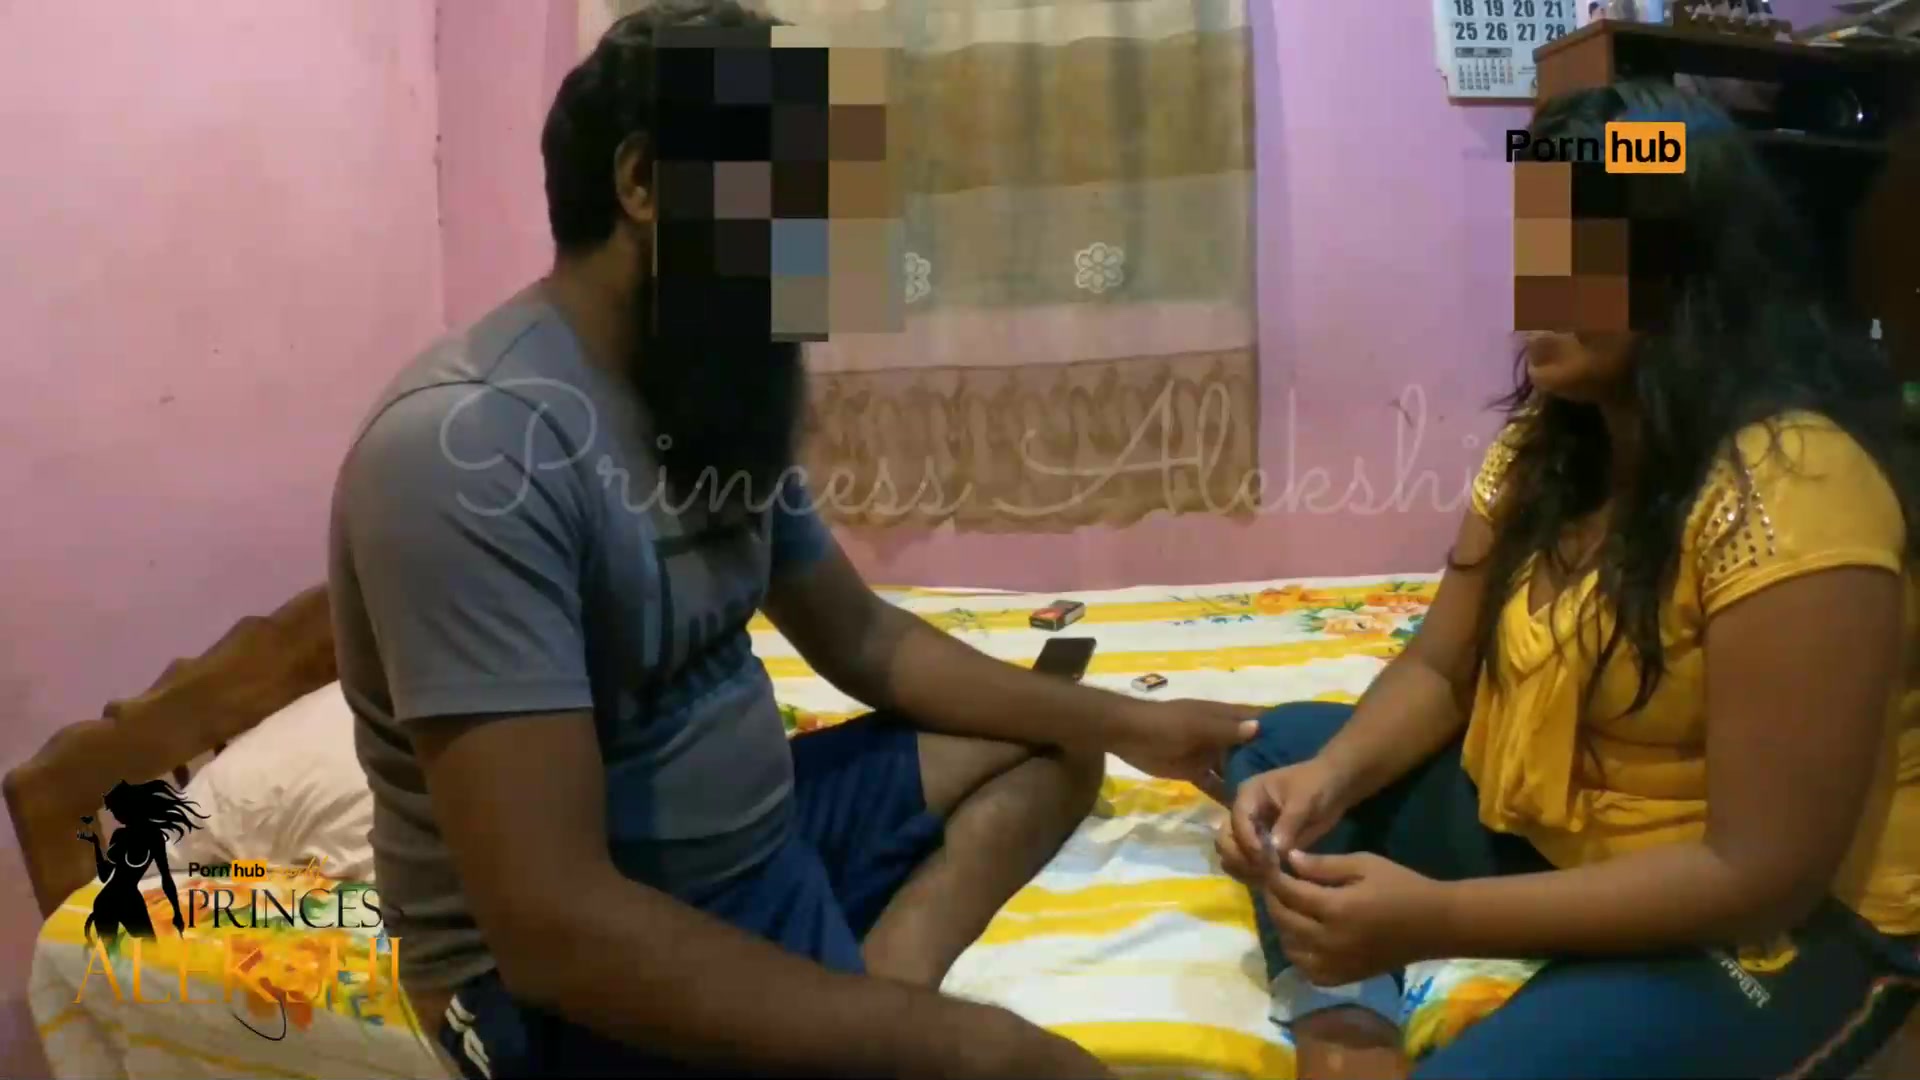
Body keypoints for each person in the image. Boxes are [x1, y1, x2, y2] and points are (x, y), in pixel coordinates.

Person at [328, 3, 1257, 1077]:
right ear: (647, 184)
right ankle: (872, 1014)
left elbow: (862, 639)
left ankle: (880, 984)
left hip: (763, 846)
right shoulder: (468, 449)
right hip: (583, 967)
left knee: (1054, 740)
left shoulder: (705, 386)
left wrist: (1138, 724)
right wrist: (973, 1049)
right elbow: (555, 931)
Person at [1216, 82, 1920, 1078]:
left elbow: (1760, 875)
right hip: (1570, 835)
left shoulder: (1797, 491)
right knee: (1279, 753)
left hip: (1771, 921)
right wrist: (1325, 782)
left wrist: (1439, 918)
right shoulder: (1550, 448)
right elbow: (1440, 671)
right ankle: (1345, 1016)